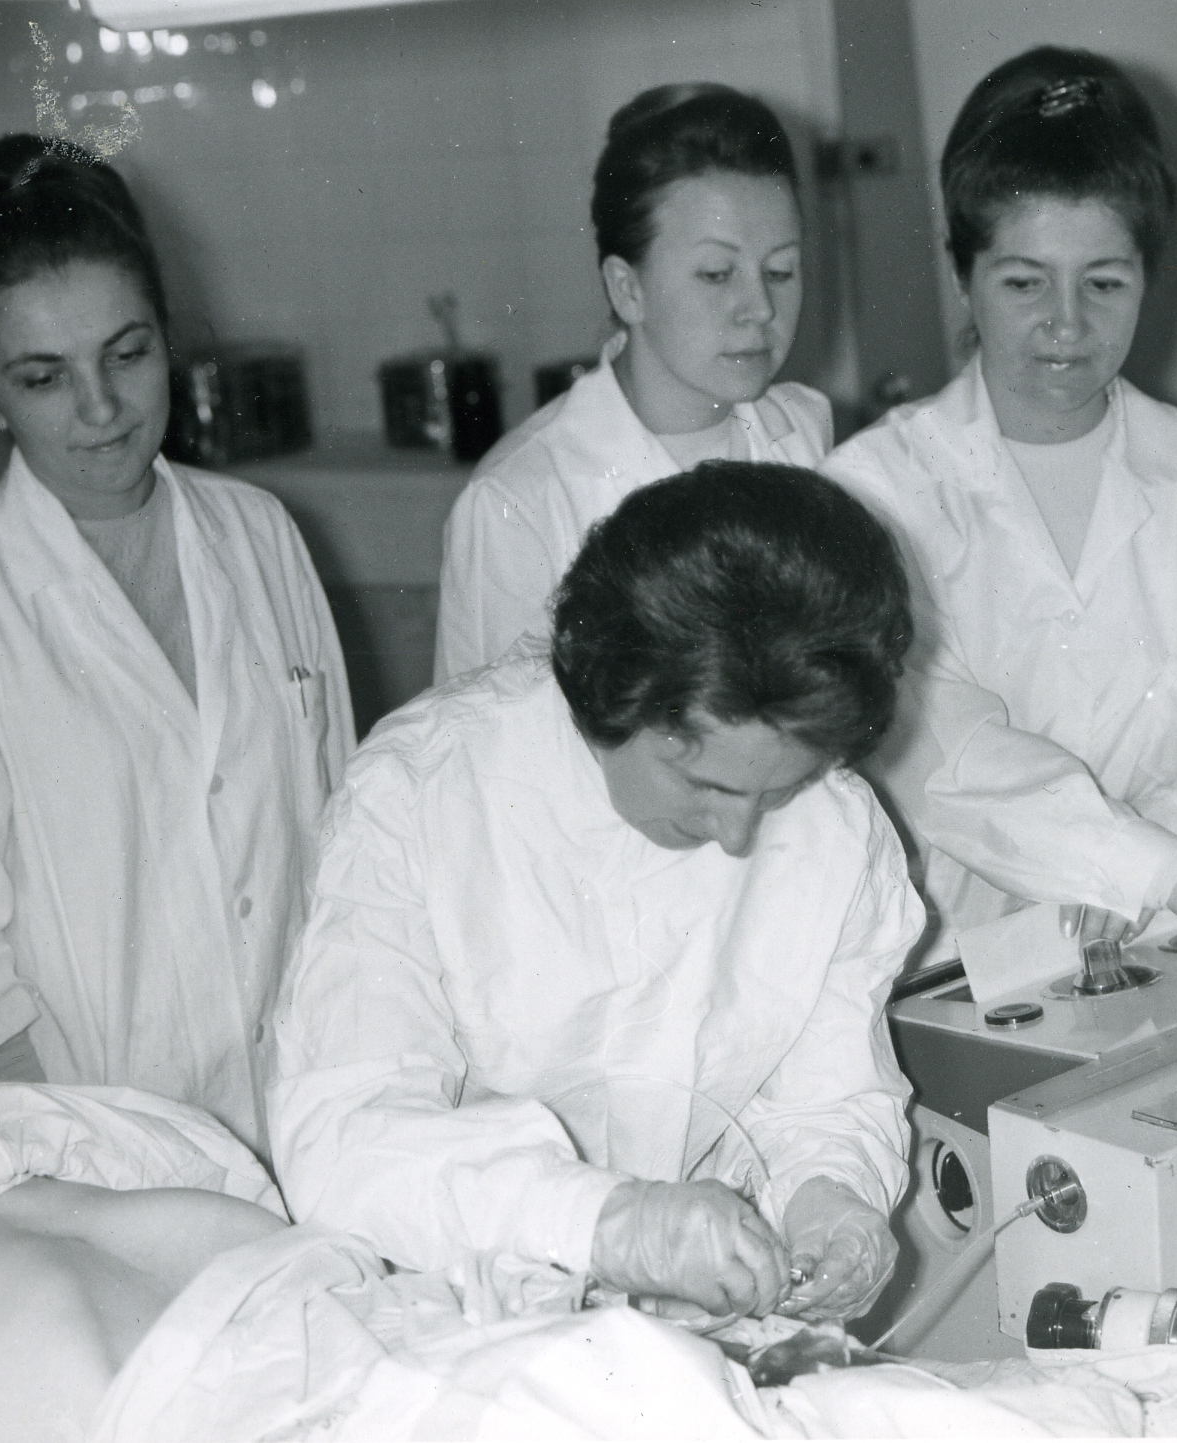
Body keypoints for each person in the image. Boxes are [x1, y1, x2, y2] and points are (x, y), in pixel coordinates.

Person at [272, 461, 919, 1324]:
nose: (738, 834)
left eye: (779, 790)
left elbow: (826, 1097)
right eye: (705, 784)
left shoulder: (838, 829)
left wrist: (831, 1198)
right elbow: (346, 1136)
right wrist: (605, 1220)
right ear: (611, 695)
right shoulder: (423, 791)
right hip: (453, 1314)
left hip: (693, 1325)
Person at [823, 47, 1177, 967]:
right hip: (956, 967)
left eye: (1104, 282)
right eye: (1024, 282)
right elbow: (948, 756)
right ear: (962, 274)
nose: (1066, 323)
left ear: (1150, 274)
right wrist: (1160, 873)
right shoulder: (872, 490)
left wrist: (1163, 873)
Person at [0, 135, 349, 1154]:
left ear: (167, 338)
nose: (101, 410)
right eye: (44, 377)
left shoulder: (261, 536)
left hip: (322, 1116)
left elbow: (349, 847)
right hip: (109, 1166)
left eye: (127, 355)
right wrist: (100, 1183)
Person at [434, 84, 831, 682]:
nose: (760, 307)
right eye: (716, 273)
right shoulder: (520, 500)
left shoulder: (806, 430)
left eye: (781, 270)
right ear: (627, 289)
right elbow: (485, 731)